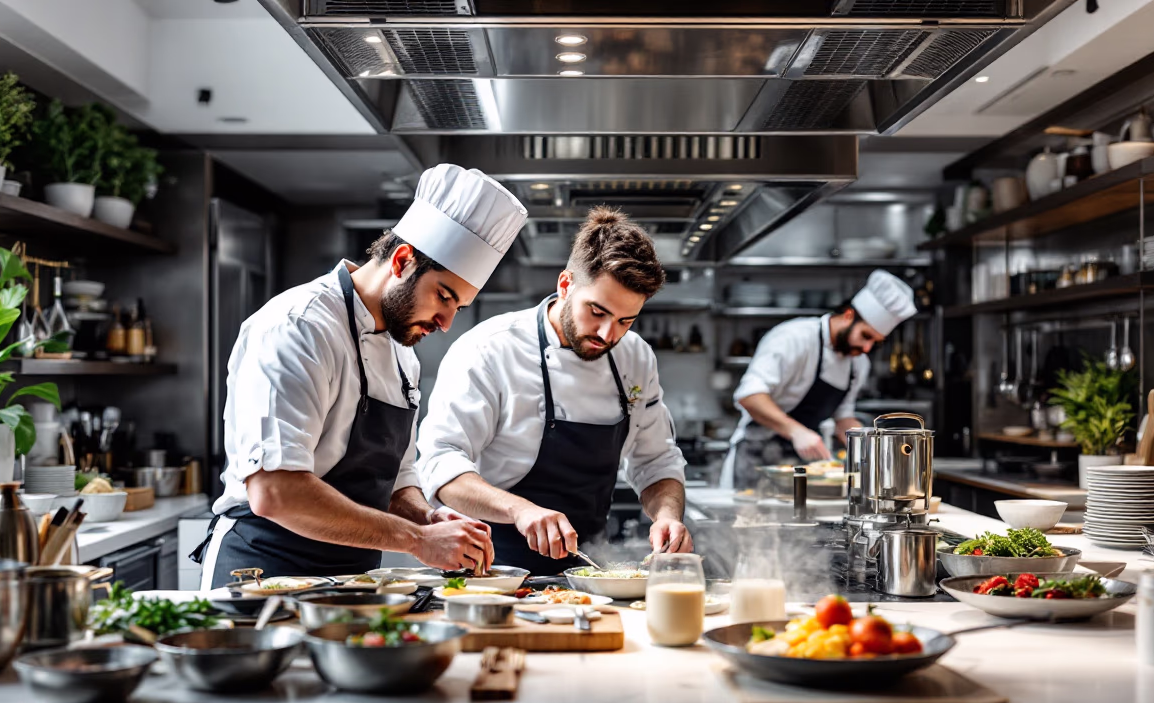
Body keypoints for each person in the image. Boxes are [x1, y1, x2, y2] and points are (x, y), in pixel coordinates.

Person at [195, 164, 528, 589]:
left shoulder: (402, 348)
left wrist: (428, 517)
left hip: (352, 581)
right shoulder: (298, 326)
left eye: (457, 308)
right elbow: (275, 492)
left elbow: (396, 480)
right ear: (403, 261)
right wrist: (418, 540)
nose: (445, 322)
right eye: (444, 296)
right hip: (263, 573)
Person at [415, 207, 691, 576]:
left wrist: (667, 516)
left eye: (625, 321)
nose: (608, 335)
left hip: (589, 569)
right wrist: (521, 510)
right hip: (490, 569)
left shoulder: (635, 355)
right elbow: (440, 464)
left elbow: (656, 460)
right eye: (596, 311)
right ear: (565, 284)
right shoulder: (490, 349)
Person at [720, 269, 917, 490]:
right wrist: (796, 431)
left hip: (802, 469)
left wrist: (870, 448)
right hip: (755, 459)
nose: (867, 348)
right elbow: (750, 396)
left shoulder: (858, 364)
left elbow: (843, 419)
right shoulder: (794, 338)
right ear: (849, 315)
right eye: (866, 336)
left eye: (876, 342)